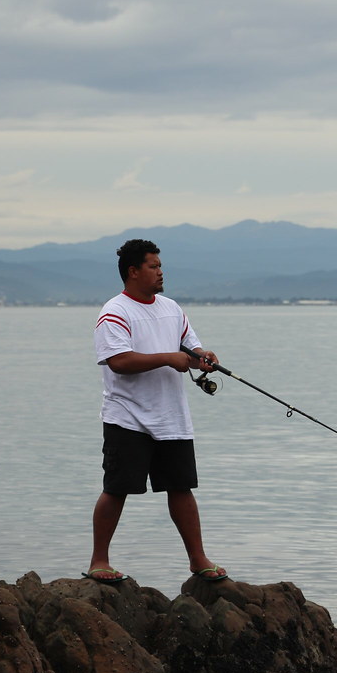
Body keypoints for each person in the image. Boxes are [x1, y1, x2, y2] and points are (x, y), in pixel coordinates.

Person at [84, 238, 227, 584]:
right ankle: (99, 561)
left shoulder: (171, 308)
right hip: (127, 416)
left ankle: (198, 560)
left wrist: (202, 357)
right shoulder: (114, 312)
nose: (161, 272)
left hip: (171, 416)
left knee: (181, 488)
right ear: (133, 272)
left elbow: (190, 348)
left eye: (160, 265)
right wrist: (168, 357)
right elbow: (119, 362)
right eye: (153, 266)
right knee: (116, 488)